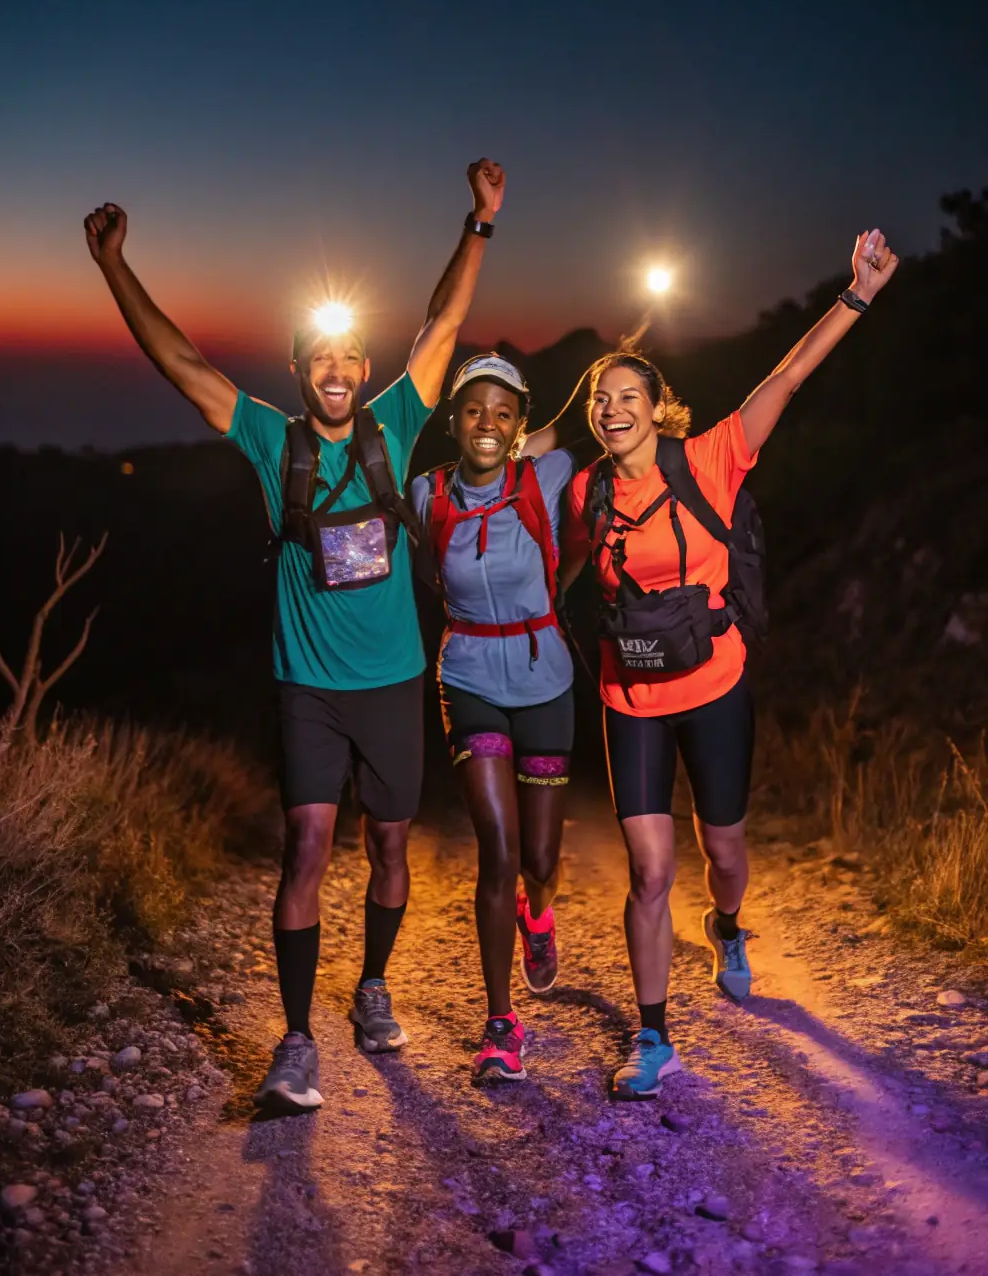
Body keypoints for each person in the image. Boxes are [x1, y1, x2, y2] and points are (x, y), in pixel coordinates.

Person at [83, 159, 506, 1112]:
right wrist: (116, 266)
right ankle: (297, 1039)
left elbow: (441, 326)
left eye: (350, 357)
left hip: (396, 681)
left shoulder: (398, 419)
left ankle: (372, 985)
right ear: (300, 370)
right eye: (319, 358)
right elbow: (182, 364)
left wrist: (478, 225)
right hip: (307, 689)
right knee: (307, 849)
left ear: (363, 369)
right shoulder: (274, 440)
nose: (337, 370)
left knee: (392, 847)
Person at [562, 229, 899, 1099]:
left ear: (656, 405)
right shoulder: (583, 493)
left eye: (628, 394)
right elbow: (572, 575)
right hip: (628, 695)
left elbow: (785, 377)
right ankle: (652, 1033)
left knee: (725, 846)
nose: (613, 409)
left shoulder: (709, 457)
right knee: (647, 870)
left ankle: (729, 923)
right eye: (602, 399)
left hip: (714, 685)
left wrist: (855, 296)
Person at [411, 356, 592, 1083]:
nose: (487, 423)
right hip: (470, 676)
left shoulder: (545, 477)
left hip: (545, 676)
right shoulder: (427, 493)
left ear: (521, 424)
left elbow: (577, 424)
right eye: (473, 410)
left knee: (541, 861)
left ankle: (538, 915)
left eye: (503, 412)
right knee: (499, 845)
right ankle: (500, 1023)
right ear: (451, 421)